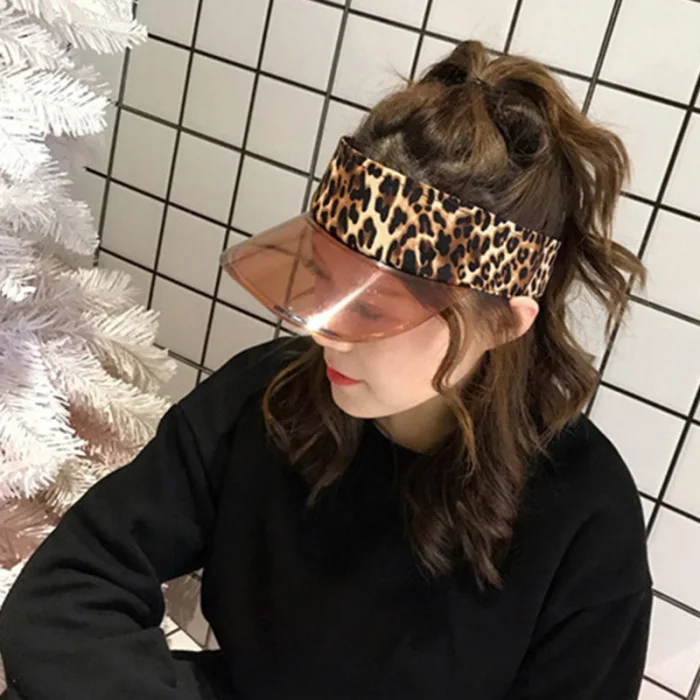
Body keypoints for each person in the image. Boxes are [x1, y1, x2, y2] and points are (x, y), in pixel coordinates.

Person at [0, 40, 652, 700]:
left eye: (372, 309)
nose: (323, 334)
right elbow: (66, 595)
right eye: (322, 281)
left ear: (502, 323)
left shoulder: (584, 518)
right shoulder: (266, 398)